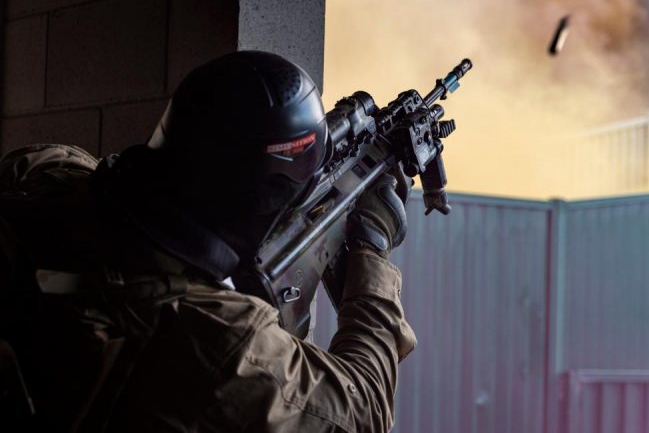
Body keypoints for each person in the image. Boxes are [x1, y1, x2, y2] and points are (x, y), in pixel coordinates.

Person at [0, 51, 416, 432]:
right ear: (268, 195)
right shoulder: (220, 340)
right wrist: (371, 251)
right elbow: (364, 409)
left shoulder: (40, 169)